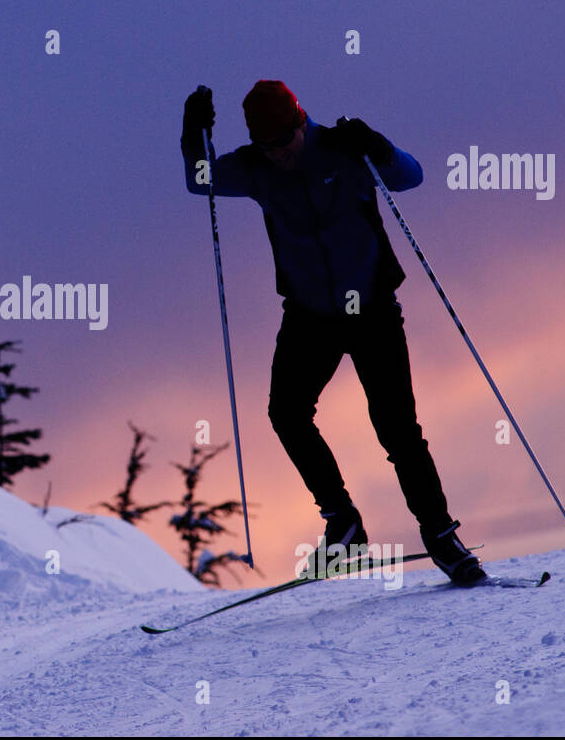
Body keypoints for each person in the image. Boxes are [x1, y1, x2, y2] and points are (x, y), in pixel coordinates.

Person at [180, 80, 485, 585]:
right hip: (309, 315)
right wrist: (194, 132)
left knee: (397, 429)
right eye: (267, 145)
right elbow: (200, 179)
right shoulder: (257, 168)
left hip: (372, 310)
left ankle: (441, 536)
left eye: (284, 141)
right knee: (287, 413)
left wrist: (379, 145)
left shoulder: (343, 150)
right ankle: (342, 521)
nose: (277, 154)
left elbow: (411, 175)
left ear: (301, 122)